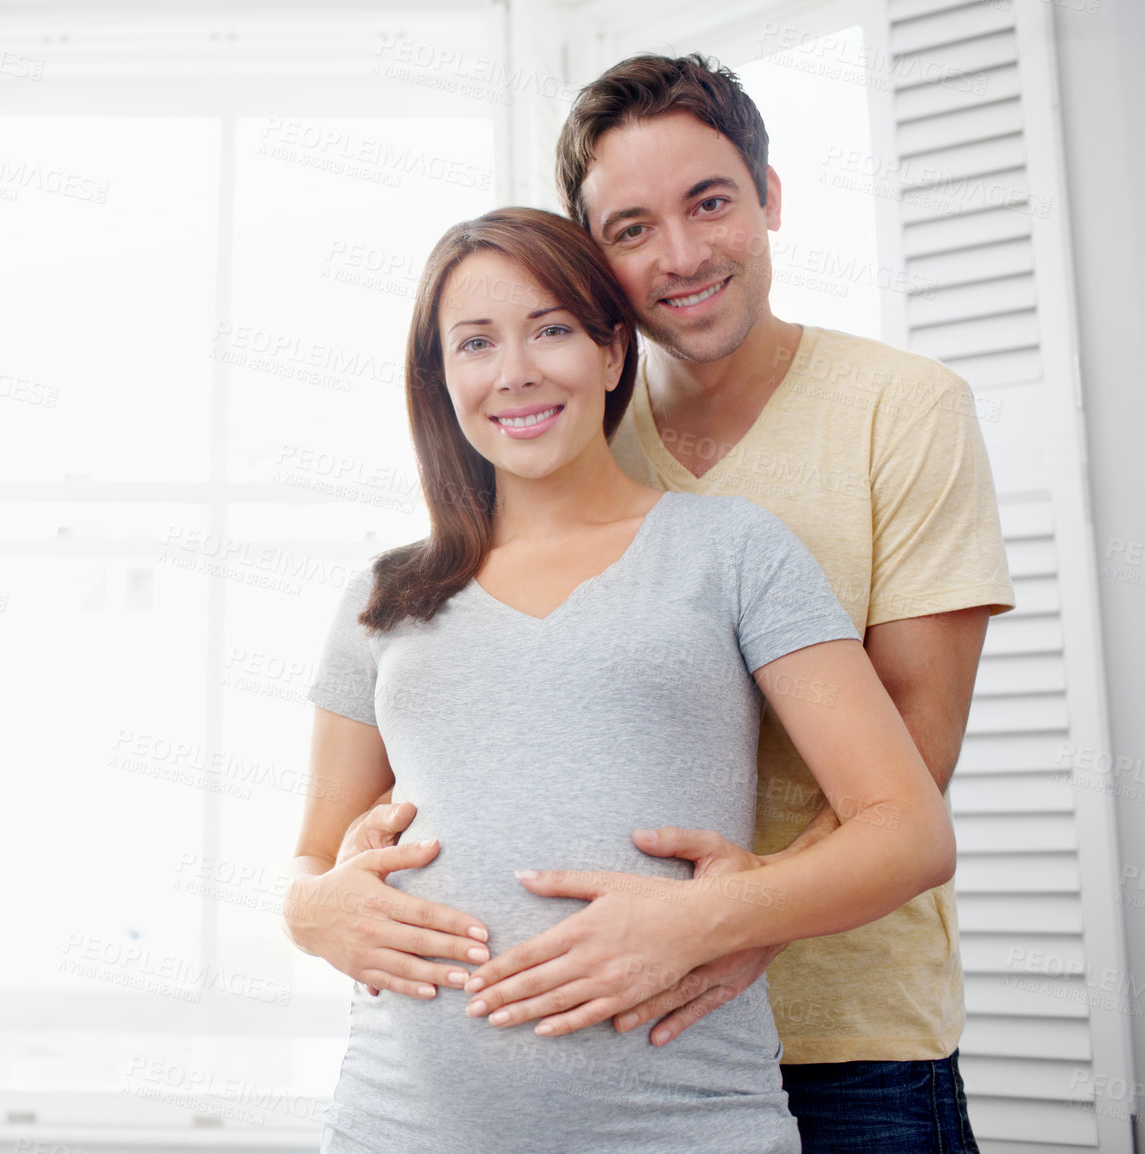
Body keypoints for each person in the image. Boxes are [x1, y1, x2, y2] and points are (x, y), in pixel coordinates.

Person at [334, 54, 1015, 1151]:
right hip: (550, 1062)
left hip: (845, 1027)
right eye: (632, 227)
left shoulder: (901, 410)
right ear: (593, 265)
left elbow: (911, 758)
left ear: (768, 197)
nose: (683, 255)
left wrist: (718, 925)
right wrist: (320, 896)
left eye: (709, 204)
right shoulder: (566, 422)